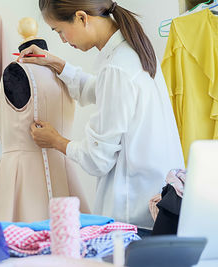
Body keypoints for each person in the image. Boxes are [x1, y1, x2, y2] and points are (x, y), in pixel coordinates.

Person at [17, 0, 184, 237]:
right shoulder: (131, 51)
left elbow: (97, 158)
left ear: (82, 17)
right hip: (156, 204)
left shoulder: (117, 67)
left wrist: (55, 140)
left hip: (135, 216)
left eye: (60, 31)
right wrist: (58, 64)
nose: (63, 39)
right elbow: (99, 90)